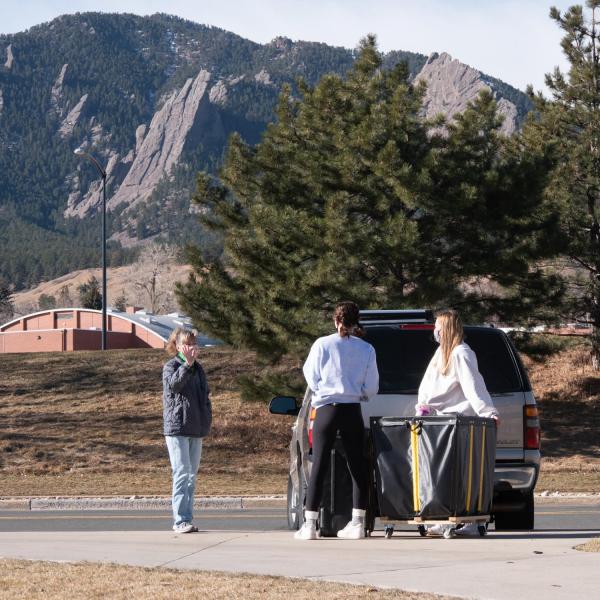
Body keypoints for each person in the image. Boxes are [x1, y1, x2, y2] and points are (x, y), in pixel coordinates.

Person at [295, 301, 379, 540]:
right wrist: (358, 393)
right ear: (356, 321)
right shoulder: (367, 349)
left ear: (336, 320)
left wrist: (323, 390)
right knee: (357, 465)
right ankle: (358, 522)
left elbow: (311, 375)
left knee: (320, 463)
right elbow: (372, 386)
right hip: (352, 408)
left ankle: (310, 523)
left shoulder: (322, 344)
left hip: (327, 408)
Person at [415, 309, 499, 537]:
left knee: (463, 474)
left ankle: (470, 521)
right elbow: (428, 385)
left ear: (447, 328)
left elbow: (473, 386)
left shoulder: (461, 353)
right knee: (443, 475)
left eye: (438, 327)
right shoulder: (441, 353)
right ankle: (444, 520)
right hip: (440, 421)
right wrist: (423, 405)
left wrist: (487, 412)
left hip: (460, 422)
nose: (435, 331)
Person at [162, 327, 212, 534]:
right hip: (177, 428)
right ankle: (180, 520)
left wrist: (206, 417)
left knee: (191, 475)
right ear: (179, 346)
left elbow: (204, 396)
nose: (192, 348)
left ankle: (188, 519)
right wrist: (187, 365)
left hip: (196, 428)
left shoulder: (199, 369)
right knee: (181, 472)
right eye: (188, 344)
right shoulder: (171, 366)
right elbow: (173, 386)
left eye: (194, 344)